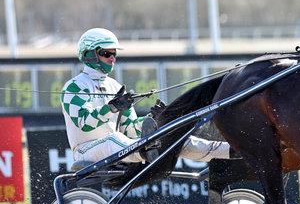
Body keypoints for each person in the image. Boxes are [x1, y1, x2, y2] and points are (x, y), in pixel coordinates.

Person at [61, 27, 235, 164]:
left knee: (169, 135)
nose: (112, 58)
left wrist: (153, 120)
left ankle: (231, 151)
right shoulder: (74, 86)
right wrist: (111, 108)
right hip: (86, 150)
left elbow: (129, 129)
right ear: (90, 54)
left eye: (114, 53)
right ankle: (146, 151)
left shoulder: (114, 86)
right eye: (106, 53)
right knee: (113, 139)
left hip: (121, 148)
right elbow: (84, 123)